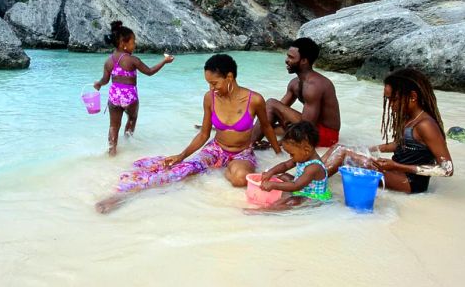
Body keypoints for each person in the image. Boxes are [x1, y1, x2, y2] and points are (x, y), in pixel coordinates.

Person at [95, 54, 281, 213]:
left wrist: (279, 154)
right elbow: (204, 134)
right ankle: (122, 196)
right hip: (216, 149)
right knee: (182, 171)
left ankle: (223, 169)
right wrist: (181, 155)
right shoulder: (210, 99)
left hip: (242, 153)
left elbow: (266, 126)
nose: (211, 88)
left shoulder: (254, 99)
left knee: (240, 180)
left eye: (214, 83)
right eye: (208, 83)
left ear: (229, 77)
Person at [322, 68, 453, 194]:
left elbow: (447, 169)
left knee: (342, 154)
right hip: (396, 171)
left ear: (413, 96)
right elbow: (400, 144)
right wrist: (364, 149)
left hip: (410, 181)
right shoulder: (409, 118)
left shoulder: (426, 125)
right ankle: (308, 172)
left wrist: (396, 166)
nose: (390, 104)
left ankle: (312, 183)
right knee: (338, 147)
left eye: (393, 99)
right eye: (388, 99)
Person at [94, 21, 174, 156]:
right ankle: (128, 143)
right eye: (133, 41)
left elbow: (105, 80)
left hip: (114, 97)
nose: (135, 44)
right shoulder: (132, 60)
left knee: (113, 125)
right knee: (132, 118)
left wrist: (99, 84)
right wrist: (164, 62)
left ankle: (112, 151)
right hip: (129, 97)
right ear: (123, 45)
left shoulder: (109, 61)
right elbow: (149, 72)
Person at [252, 37, 341, 148]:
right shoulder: (295, 83)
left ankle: (246, 148)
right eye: (287, 56)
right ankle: (248, 141)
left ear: (304, 61)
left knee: (270, 103)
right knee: (268, 128)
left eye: (291, 57)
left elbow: (307, 127)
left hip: (326, 136)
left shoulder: (314, 86)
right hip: (311, 127)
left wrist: (277, 144)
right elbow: (276, 111)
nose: (286, 60)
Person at [250, 121, 332, 212]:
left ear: (306, 150)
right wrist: (271, 172)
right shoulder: (302, 156)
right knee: (284, 176)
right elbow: (285, 165)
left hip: (312, 197)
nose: (290, 157)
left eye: (292, 154)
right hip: (301, 188)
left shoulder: (313, 167)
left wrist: (273, 185)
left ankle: (264, 211)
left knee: (291, 201)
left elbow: (296, 186)